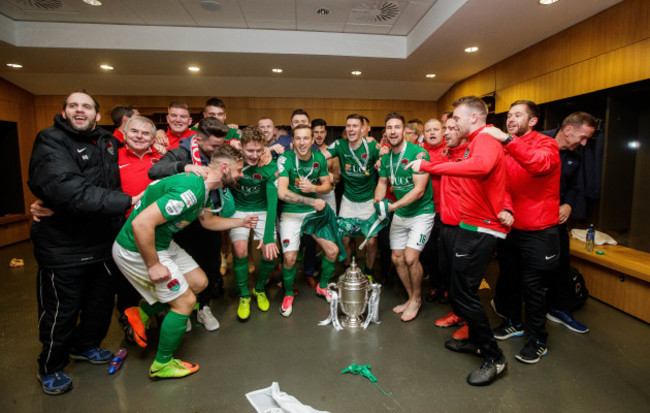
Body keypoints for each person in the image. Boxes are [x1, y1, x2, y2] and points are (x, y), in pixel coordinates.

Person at [28, 90, 139, 395]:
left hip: (102, 243)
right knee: (61, 310)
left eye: (86, 106)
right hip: (63, 246)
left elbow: (141, 146)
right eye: (73, 106)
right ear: (64, 112)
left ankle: (85, 346)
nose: (80, 110)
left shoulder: (105, 141)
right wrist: (127, 200)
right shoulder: (50, 140)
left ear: (96, 115)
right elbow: (68, 191)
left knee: (99, 305)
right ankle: (50, 365)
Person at [114, 145, 257, 380]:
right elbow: (141, 225)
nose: (241, 175)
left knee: (200, 283)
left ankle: (141, 311)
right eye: (239, 170)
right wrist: (153, 265)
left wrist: (240, 223)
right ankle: (162, 363)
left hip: (160, 242)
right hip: (136, 247)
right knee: (185, 302)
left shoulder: (206, 188)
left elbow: (208, 222)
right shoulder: (189, 189)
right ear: (224, 167)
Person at [407, 96, 511, 386]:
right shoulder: (476, 140)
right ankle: (477, 342)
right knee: (458, 287)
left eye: (457, 117)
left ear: (474, 118)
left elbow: (479, 168)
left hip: (483, 229)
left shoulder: (486, 139)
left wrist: (429, 167)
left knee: (464, 291)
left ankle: (495, 357)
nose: (452, 122)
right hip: (470, 224)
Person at [484, 100, 561, 365]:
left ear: (533, 121)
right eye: (509, 115)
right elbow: (502, 184)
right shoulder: (507, 149)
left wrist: (506, 140)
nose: (511, 119)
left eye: (518, 115)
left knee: (534, 288)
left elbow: (538, 165)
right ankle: (514, 323)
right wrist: (505, 207)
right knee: (509, 280)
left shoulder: (546, 144)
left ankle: (538, 339)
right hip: (511, 228)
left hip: (540, 231)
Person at [148, 117, 232, 331]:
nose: (217, 150)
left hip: (208, 217)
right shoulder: (182, 152)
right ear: (198, 138)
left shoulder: (220, 153)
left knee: (211, 267)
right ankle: (182, 309)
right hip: (181, 223)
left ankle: (203, 307)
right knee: (181, 270)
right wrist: (185, 166)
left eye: (221, 145)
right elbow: (154, 171)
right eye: (213, 145)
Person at [374, 112, 435, 322]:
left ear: (404, 131)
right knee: (396, 258)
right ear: (385, 132)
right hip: (400, 213)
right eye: (389, 128)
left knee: (410, 257)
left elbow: (419, 190)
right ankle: (410, 298)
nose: (393, 131)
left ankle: (417, 299)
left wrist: (392, 206)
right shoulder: (385, 158)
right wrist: (378, 204)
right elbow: (382, 183)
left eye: (397, 127)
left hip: (421, 212)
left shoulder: (419, 154)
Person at [543, 112, 597, 333]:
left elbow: (575, 186)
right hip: (527, 220)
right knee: (519, 267)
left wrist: (569, 205)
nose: (584, 143)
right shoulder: (538, 143)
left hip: (556, 220)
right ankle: (510, 313)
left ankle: (558, 308)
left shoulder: (577, 155)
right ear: (568, 131)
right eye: (583, 137)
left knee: (561, 262)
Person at [276, 125, 339, 316]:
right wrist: (312, 200)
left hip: (312, 213)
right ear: (293, 141)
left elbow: (327, 185)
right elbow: (282, 193)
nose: (302, 143)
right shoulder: (285, 159)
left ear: (312, 140)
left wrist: (314, 188)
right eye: (298, 139)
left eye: (306, 138)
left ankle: (323, 286)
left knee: (333, 251)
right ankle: (288, 293)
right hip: (291, 214)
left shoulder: (319, 158)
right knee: (289, 258)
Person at [116, 115, 162, 342]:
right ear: (125, 134)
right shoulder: (112, 158)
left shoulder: (162, 159)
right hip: (124, 227)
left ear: (153, 138)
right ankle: (130, 321)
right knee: (128, 281)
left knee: (159, 274)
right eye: (134, 132)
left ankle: (161, 315)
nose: (139, 136)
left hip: (158, 229)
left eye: (145, 133)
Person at [320, 114, 380, 278]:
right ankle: (349, 268)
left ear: (362, 129)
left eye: (355, 126)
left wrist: (383, 155)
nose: (351, 129)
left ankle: (368, 271)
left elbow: (385, 157)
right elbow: (321, 156)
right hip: (348, 200)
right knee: (345, 239)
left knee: (371, 241)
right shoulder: (340, 144)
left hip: (368, 201)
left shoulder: (372, 146)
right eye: (348, 126)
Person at [229, 126, 279, 320]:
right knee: (240, 251)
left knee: (269, 253)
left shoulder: (269, 165)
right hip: (238, 210)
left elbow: (272, 202)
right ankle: (244, 295)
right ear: (241, 147)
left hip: (262, 210)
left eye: (259, 150)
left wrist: (268, 237)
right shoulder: (232, 161)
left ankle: (259, 289)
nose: (255, 155)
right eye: (250, 150)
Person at [433, 118, 471, 341]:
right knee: (447, 271)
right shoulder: (446, 153)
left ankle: (469, 320)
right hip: (445, 222)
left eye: (450, 129)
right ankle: (458, 313)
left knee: (464, 277)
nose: (445, 133)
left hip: (465, 226)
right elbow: (428, 157)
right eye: (444, 128)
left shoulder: (472, 154)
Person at [420, 119, 446, 304]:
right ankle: (436, 286)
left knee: (446, 253)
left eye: (436, 129)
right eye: (428, 130)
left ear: (443, 131)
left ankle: (448, 289)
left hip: (446, 211)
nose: (432, 133)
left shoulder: (450, 149)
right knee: (429, 252)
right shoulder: (418, 151)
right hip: (426, 209)